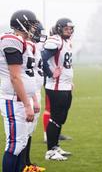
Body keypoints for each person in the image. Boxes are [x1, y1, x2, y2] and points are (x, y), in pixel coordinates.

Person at [0, 10, 39, 172]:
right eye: (32, 24)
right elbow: (15, 77)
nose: (34, 28)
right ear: (22, 24)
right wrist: (27, 105)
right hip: (13, 100)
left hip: (20, 100)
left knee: (21, 143)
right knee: (14, 145)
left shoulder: (25, 43)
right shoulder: (11, 39)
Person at [42, 18, 74, 161]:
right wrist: (50, 73)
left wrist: (69, 81)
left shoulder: (67, 42)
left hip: (65, 86)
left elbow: (65, 64)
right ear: (59, 28)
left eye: (71, 28)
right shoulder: (56, 40)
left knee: (61, 118)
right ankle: (50, 151)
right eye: (67, 28)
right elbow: (42, 58)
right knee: (55, 118)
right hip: (56, 87)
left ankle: (55, 146)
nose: (69, 31)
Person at [22, 21, 46, 172]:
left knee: (30, 130)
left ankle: (27, 162)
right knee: (24, 131)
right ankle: (22, 165)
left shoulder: (35, 47)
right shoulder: (25, 46)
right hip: (28, 93)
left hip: (35, 91)